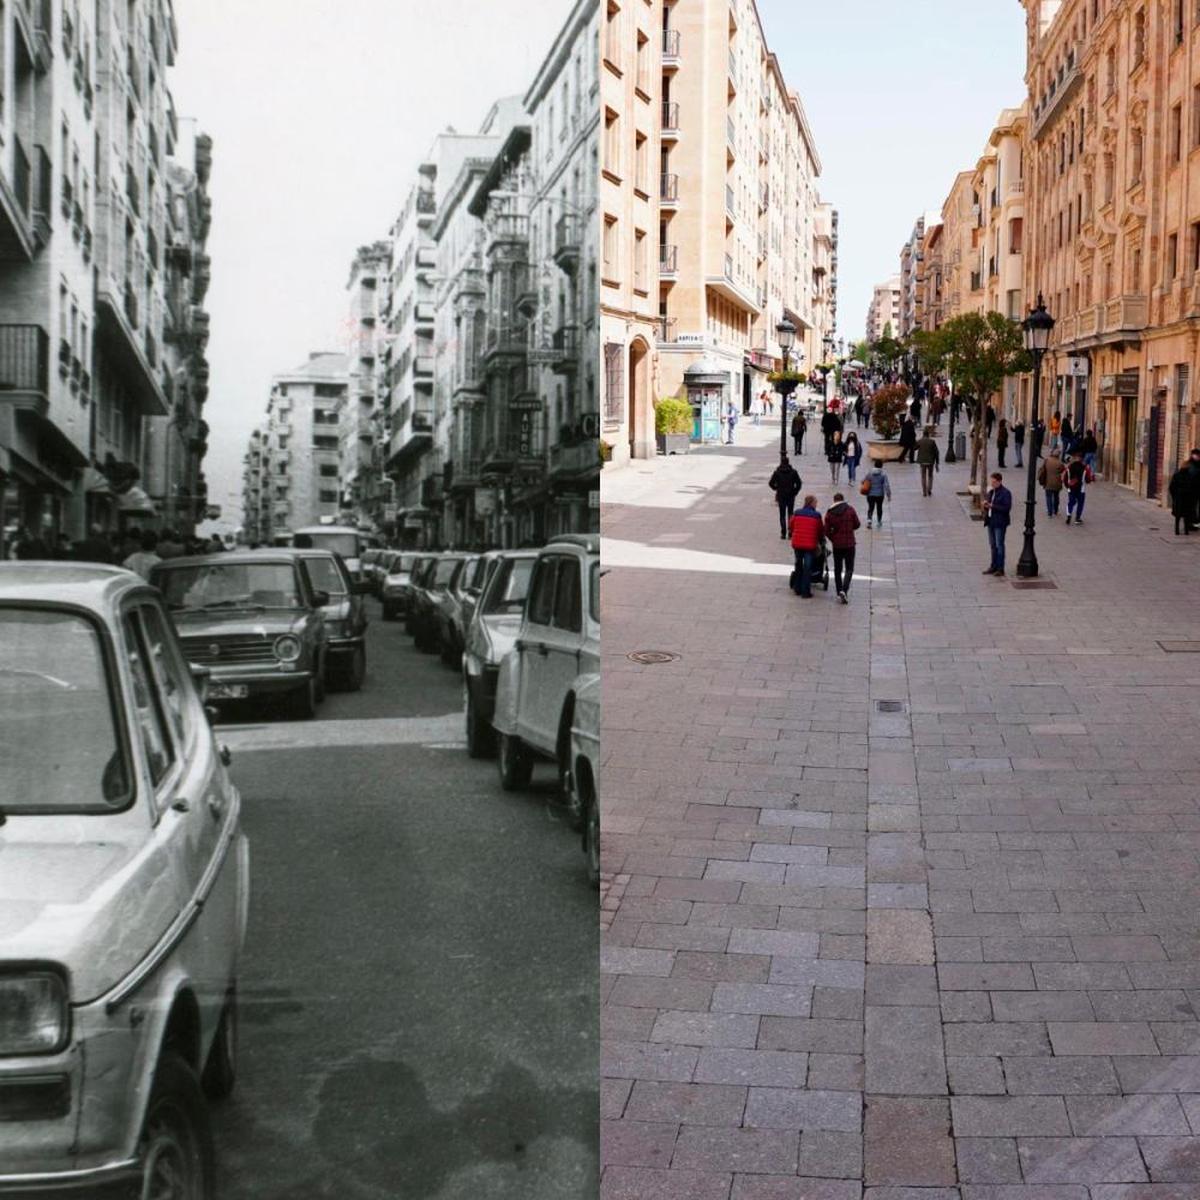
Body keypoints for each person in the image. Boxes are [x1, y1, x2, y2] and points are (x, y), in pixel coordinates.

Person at [824, 492, 861, 604]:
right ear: (843, 499)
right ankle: (844, 590)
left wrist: (833, 538)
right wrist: (850, 529)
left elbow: (826, 530)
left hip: (837, 545)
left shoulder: (830, 513)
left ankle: (839, 590)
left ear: (834, 500)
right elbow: (857, 524)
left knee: (838, 569)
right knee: (849, 568)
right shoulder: (850, 510)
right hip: (850, 544)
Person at [789, 494, 823, 599]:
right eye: (816, 502)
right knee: (807, 567)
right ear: (812, 503)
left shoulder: (797, 513)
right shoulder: (817, 515)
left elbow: (791, 525)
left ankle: (797, 588)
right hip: (809, 545)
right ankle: (805, 592)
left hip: (797, 544)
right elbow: (820, 530)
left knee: (798, 565)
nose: (816, 504)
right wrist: (820, 540)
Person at [982, 472, 1013, 576]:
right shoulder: (991, 492)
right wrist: (986, 505)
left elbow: (1006, 508)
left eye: (994, 482)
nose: (992, 484)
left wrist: (992, 506)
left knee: (999, 545)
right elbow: (989, 504)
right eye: (991, 482)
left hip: (1000, 522)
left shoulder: (1006, 493)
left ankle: (1000, 568)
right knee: (992, 545)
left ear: (1000, 481)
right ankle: (993, 566)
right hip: (991, 521)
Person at [768, 454, 803, 540]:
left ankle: (783, 532)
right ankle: (790, 532)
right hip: (791, 495)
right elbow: (799, 483)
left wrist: (777, 488)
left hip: (781, 496)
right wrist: (795, 491)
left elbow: (770, 483)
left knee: (782, 514)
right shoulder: (793, 472)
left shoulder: (777, 472)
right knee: (790, 514)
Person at [1168, 455, 1198, 535]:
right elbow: (1192, 488)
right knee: (1186, 515)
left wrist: (1174, 496)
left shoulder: (1176, 475)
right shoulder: (1190, 476)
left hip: (1178, 498)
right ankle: (1186, 531)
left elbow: (1171, 487)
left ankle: (1177, 531)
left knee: (1178, 516)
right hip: (1187, 498)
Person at [1063, 450, 1092, 525]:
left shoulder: (1069, 468)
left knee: (1071, 502)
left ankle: (1069, 515)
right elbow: (1088, 480)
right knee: (1080, 503)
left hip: (1071, 488)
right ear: (1082, 459)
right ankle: (1077, 518)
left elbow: (1065, 478)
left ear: (1075, 458)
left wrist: (1067, 486)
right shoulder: (1085, 468)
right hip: (1081, 489)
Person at [863, 459, 891, 528]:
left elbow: (863, 481)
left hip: (870, 494)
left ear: (874, 465)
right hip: (880, 494)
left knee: (870, 507)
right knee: (879, 507)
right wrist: (888, 495)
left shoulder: (869, 473)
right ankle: (879, 521)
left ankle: (869, 520)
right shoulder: (883, 474)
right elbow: (886, 485)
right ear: (881, 466)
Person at [1037, 449, 1064, 518]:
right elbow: (1062, 470)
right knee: (1056, 497)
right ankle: (1055, 510)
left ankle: (1049, 512)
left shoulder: (1047, 460)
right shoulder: (1060, 463)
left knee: (1048, 497)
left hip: (1048, 482)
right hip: (1057, 483)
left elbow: (1042, 469)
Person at [915, 426, 941, 497]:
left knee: (923, 476)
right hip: (930, 461)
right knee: (930, 476)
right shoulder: (932, 442)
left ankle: (924, 491)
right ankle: (929, 489)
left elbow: (914, 448)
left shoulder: (920, 441)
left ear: (923, 434)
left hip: (922, 461)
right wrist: (937, 463)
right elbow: (936, 452)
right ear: (928, 434)